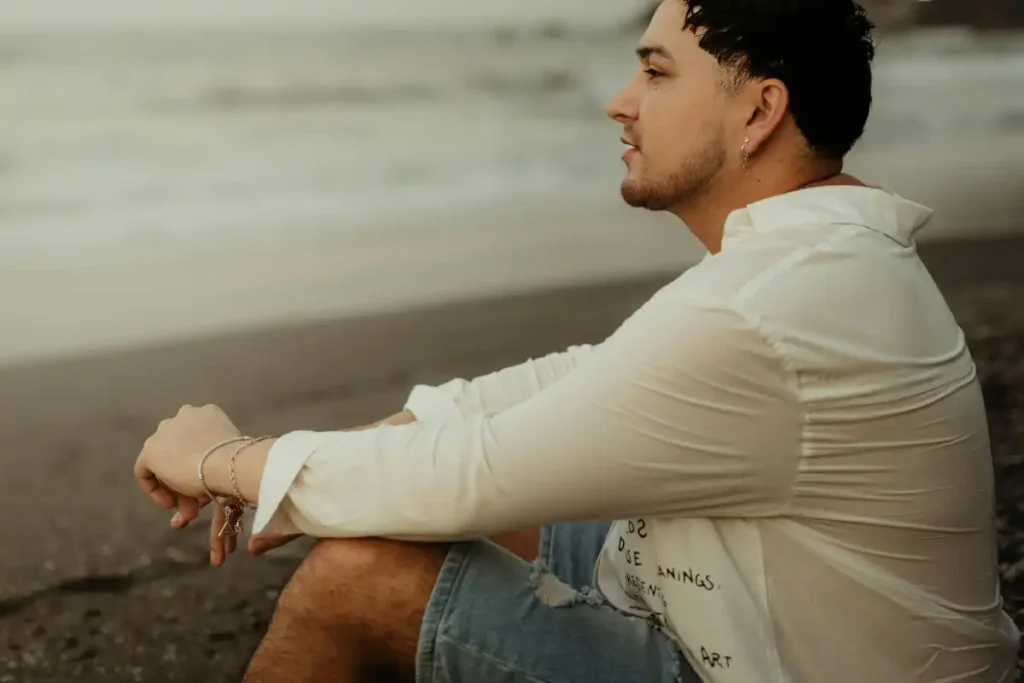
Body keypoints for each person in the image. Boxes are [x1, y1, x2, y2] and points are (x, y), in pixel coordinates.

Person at [133, 1, 1020, 681]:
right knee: (477, 499)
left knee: (359, 574)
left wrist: (229, 460)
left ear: (760, 111)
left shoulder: (769, 302)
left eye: (656, 73)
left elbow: (474, 473)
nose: (619, 103)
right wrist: (346, 452)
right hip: (745, 611)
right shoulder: (808, 263)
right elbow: (575, 390)